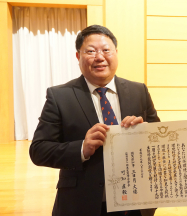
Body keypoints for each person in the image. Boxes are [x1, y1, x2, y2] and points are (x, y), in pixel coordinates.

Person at [30, 25, 160, 216]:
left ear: (116, 53)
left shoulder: (138, 91)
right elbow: (39, 150)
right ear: (78, 57)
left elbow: (158, 135)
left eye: (106, 50)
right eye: (91, 51)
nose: (100, 57)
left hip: (133, 202)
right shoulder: (60, 96)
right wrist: (82, 148)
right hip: (82, 203)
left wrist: (146, 133)